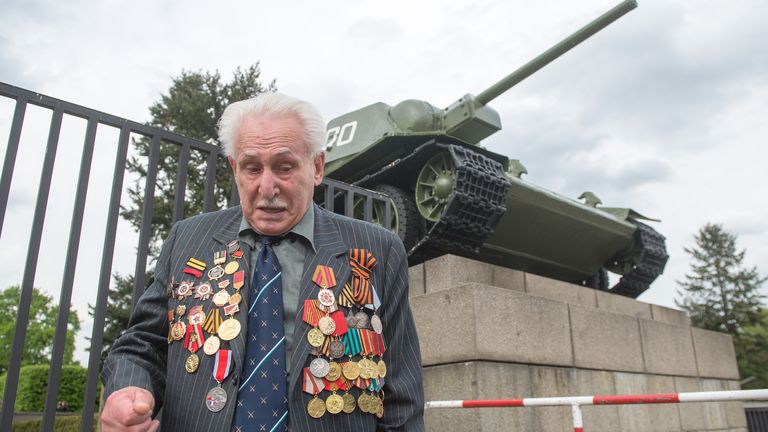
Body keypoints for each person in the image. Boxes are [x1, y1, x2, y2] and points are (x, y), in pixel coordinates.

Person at [100, 92, 425, 431]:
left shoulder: (377, 249)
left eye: (284, 167)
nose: (267, 188)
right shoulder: (188, 239)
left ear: (316, 167)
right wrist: (128, 389)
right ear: (233, 167)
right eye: (252, 168)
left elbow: (402, 396)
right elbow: (142, 345)